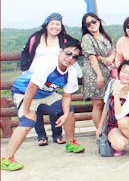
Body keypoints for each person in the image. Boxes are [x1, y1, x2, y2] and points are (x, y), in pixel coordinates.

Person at [2, 40, 85, 172]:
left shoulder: (71, 73)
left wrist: (64, 115)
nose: (70, 58)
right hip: (24, 91)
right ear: (60, 51)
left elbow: (67, 96)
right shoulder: (49, 64)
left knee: (68, 111)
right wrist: (27, 110)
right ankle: (7, 159)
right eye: (68, 53)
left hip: (45, 94)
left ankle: (70, 142)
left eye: (75, 56)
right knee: (27, 122)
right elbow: (31, 87)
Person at [20, 12, 69, 144]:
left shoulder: (63, 39)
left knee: (54, 106)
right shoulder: (35, 37)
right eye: (52, 23)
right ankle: (41, 136)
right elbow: (25, 53)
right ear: (46, 25)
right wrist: (24, 70)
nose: (55, 26)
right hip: (34, 75)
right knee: (36, 105)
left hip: (53, 77)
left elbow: (75, 47)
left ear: (61, 26)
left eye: (58, 24)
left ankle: (57, 135)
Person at [96, 60, 129, 161]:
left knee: (122, 121)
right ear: (119, 72)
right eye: (124, 71)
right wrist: (100, 127)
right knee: (119, 145)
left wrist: (116, 93)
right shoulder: (112, 84)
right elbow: (106, 107)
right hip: (113, 125)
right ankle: (121, 141)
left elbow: (119, 115)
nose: (126, 75)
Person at [81, 12, 116, 129]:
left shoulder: (105, 36)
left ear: (99, 21)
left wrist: (111, 57)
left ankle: (108, 128)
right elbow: (91, 57)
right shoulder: (87, 38)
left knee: (107, 103)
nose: (92, 25)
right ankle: (100, 131)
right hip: (94, 74)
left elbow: (113, 49)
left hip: (109, 74)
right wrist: (99, 76)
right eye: (88, 24)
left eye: (94, 21)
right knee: (98, 104)